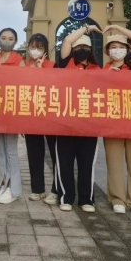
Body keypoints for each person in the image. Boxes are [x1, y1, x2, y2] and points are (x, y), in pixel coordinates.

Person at [56, 25, 102, 212]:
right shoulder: (65, 65)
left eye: (85, 48)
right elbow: (67, 40)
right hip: (65, 124)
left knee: (86, 164)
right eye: (78, 47)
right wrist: (86, 28)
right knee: (65, 163)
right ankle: (66, 198)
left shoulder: (98, 69)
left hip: (89, 126)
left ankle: (86, 200)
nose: (81, 50)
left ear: (91, 50)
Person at [101, 24, 131, 216]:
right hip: (112, 121)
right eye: (113, 47)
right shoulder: (102, 71)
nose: (117, 50)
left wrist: (115, 27)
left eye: (121, 47)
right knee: (114, 162)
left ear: (127, 50)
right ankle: (117, 199)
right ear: (107, 51)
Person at [23, 33, 59, 205]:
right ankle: (37, 189)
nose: (35, 50)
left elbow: (56, 88)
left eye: (40, 47)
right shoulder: (23, 67)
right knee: (34, 153)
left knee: (55, 154)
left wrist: (41, 71)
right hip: (31, 117)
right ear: (28, 48)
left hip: (51, 116)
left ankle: (56, 190)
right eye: (33, 47)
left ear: (45, 50)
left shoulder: (53, 66)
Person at [0, 28, 24, 204]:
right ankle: (2, 183)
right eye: (3, 38)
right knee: (0, 151)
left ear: (15, 41)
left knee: (11, 151)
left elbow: (24, 86)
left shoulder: (19, 60)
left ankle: (13, 189)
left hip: (12, 110)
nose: (6, 41)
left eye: (10, 38)